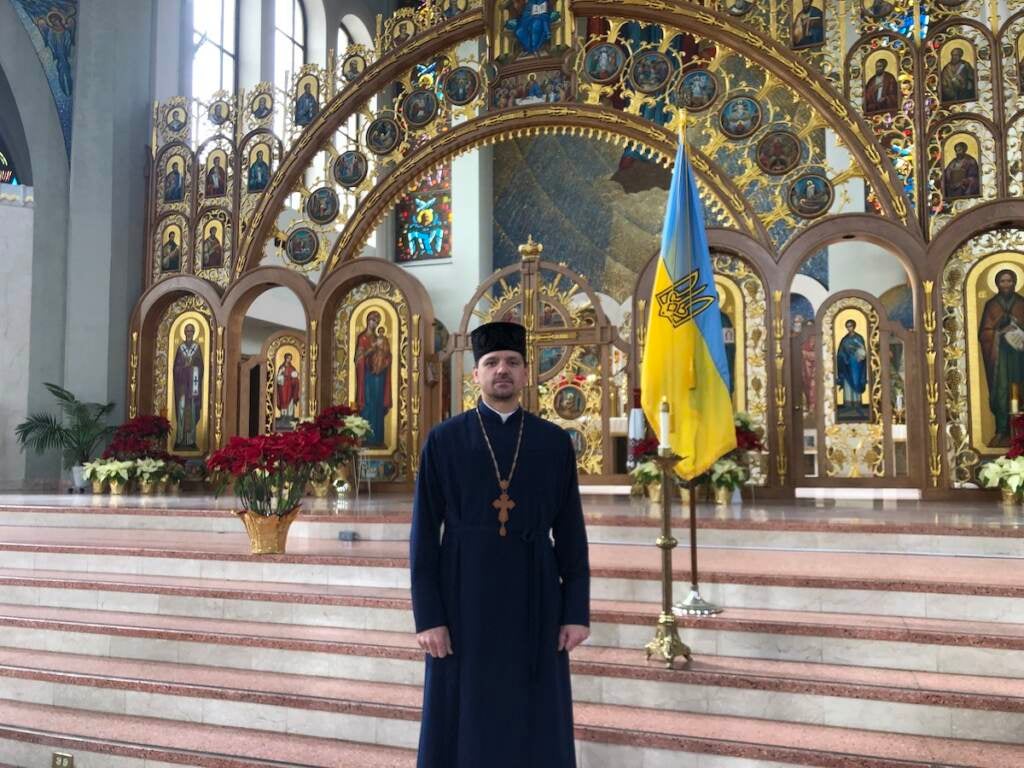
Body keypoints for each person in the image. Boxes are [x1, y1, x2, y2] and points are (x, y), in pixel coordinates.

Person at [410, 320, 590, 768]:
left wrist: (575, 611)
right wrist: (428, 617)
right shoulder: (444, 440)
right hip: (462, 592)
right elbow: (423, 535)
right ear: (476, 375)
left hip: (536, 595)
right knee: (463, 711)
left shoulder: (553, 442)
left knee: (534, 711)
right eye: (491, 363)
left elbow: (570, 531)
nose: (502, 370)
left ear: (528, 373)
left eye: (512, 362)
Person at [979, 269, 1024, 445]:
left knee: (1019, 389)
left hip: (1019, 357)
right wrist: (999, 332)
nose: (1006, 284)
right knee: (1001, 390)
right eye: (1003, 281)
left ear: (1015, 283)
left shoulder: (1022, 303)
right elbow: (984, 333)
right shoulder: (992, 305)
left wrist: (1018, 325)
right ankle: (1002, 430)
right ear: (997, 284)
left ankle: (1019, 433)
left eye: (1010, 281)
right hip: (999, 358)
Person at [355, 311, 392, 446]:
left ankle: (377, 439)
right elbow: (358, 359)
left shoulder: (380, 338)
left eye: (376, 321)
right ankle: (366, 438)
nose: (374, 323)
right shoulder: (363, 338)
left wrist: (386, 358)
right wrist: (373, 348)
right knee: (368, 404)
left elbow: (387, 355)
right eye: (372, 320)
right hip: (366, 377)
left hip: (379, 376)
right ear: (367, 321)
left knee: (377, 404)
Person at [173, 323, 203, 450]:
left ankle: (191, 441)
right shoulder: (180, 348)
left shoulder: (197, 348)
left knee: (192, 411)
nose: (189, 333)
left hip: (192, 388)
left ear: (194, 332)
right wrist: (184, 367)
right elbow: (175, 369)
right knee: (181, 411)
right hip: (182, 388)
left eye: (191, 331)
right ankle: (180, 439)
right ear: (184, 332)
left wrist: (193, 367)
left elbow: (201, 367)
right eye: (187, 331)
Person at [836, 319, 868, 419]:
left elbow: (863, 351)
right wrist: (844, 358)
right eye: (847, 326)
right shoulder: (844, 339)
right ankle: (849, 403)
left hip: (857, 364)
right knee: (848, 382)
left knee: (856, 381)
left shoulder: (859, 338)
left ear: (854, 326)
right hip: (847, 364)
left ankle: (857, 403)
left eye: (850, 326)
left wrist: (859, 354)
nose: (849, 328)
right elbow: (840, 352)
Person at [275, 352, 301, 424]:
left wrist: (296, 377)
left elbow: (295, 377)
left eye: (290, 358)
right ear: (285, 358)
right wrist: (281, 373)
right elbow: (278, 378)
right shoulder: (281, 367)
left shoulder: (292, 368)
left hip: (290, 387)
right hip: (283, 388)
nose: (289, 360)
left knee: (290, 401)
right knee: (283, 400)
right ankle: (283, 416)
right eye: (288, 358)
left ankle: (290, 416)